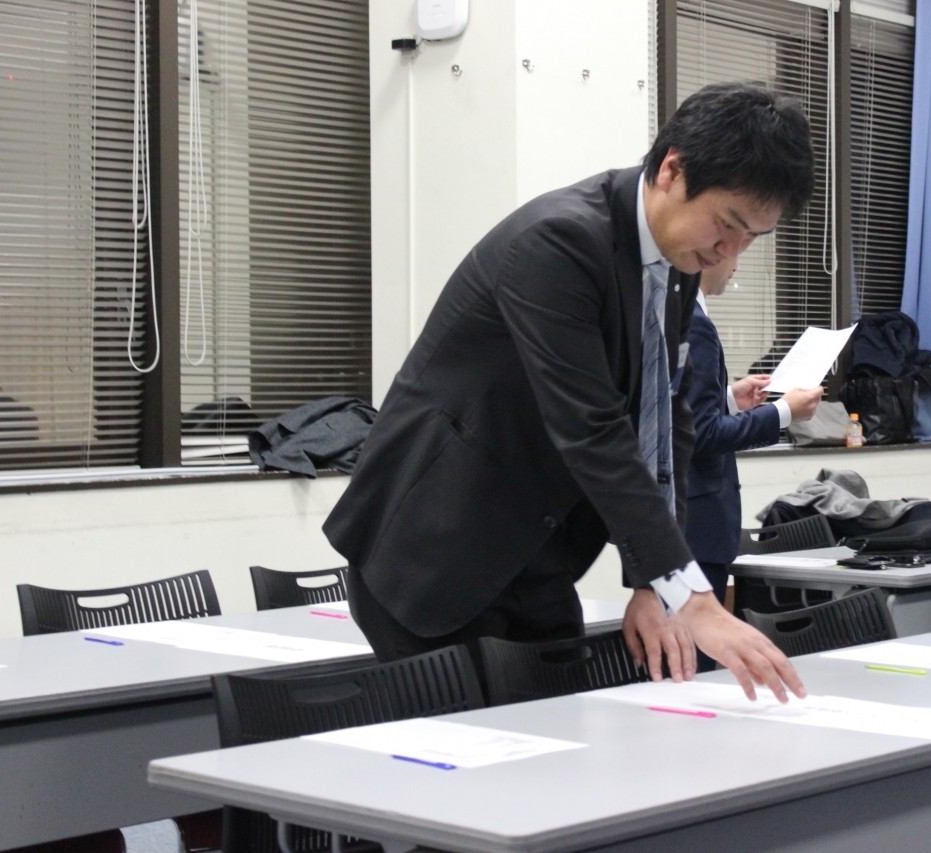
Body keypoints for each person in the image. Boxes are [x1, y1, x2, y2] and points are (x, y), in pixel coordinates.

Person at [324, 83, 816, 700]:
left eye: (752, 239)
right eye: (727, 224)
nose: (729, 252)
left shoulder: (675, 264)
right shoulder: (557, 242)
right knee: (479, 751)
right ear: (672, 170)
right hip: (435, 552)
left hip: (540, 554)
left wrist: (653, 583)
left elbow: (666, 421)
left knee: (563, 734)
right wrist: (690, 595)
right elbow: (593, 428)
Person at [685, 259, 822, 617]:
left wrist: (729, 400)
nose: (737, 263)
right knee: (691, 649)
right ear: (710, 253)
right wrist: (783, 412)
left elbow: (679, 414)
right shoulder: (694, 323)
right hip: (693, 529)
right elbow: (702, 434)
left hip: (677, 529)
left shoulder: (676, 314)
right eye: (734, 247)